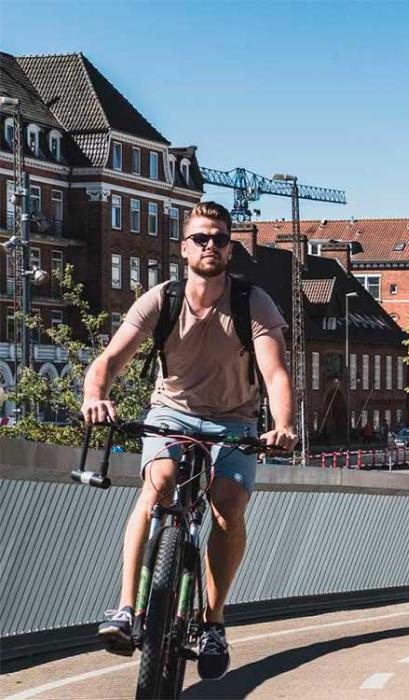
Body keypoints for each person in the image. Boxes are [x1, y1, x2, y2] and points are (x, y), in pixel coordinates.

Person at [82, 201, 297, 681]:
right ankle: (125, 608)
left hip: (234, 422)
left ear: (229, 249)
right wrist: (96, 395)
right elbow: (111, 358)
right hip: (171, 413)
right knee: (158, 484)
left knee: (227, 505)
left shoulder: (252, 302)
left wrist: (281, 424)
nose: (210, 246)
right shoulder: (162, 299)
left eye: (220, 239)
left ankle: (214, 622)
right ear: (184, 248)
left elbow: (276, 372)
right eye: (201, 238)